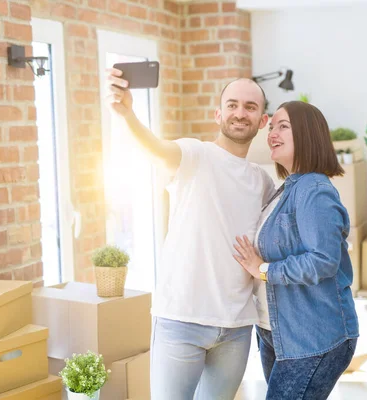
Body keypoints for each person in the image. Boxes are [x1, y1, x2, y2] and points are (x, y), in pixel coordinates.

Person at [105, 69, 276, 400]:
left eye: (250, 107)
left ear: (262, 120)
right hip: (181, 320)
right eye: (233, 105)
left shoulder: (262, 182)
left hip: (236, 327)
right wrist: (128, 115)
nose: (241, 113)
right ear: (218, 114)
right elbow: (156, 148)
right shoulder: (196, 155)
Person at [233, 101, 359, 400]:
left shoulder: (314, 189)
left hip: (311, 335)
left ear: (307, 134)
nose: (272, 133)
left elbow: (322, 261)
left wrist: (263, 269)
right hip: (276, 330)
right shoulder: (287, 188)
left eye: (283, 126)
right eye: (272, 126)